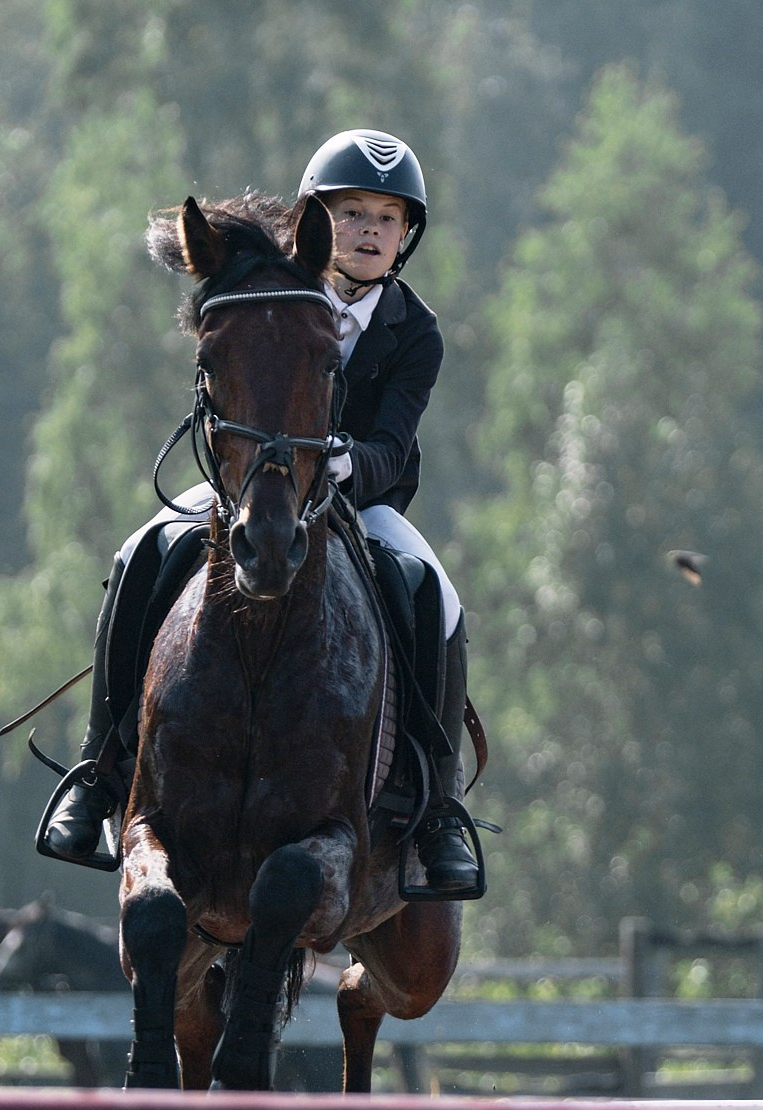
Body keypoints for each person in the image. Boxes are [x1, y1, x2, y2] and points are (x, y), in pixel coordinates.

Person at [39, 129, 481, 897]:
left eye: (388, 217)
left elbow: (393, 441)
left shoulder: (418, 331)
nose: (371, 231)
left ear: (407, 235)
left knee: (433, 591)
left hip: (361, 499)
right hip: (256, 490)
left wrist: (342, 461)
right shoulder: (268, 289)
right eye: (352, 214)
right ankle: (99, 770)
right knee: (139, 551)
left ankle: (437, 810)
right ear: (317, 221)